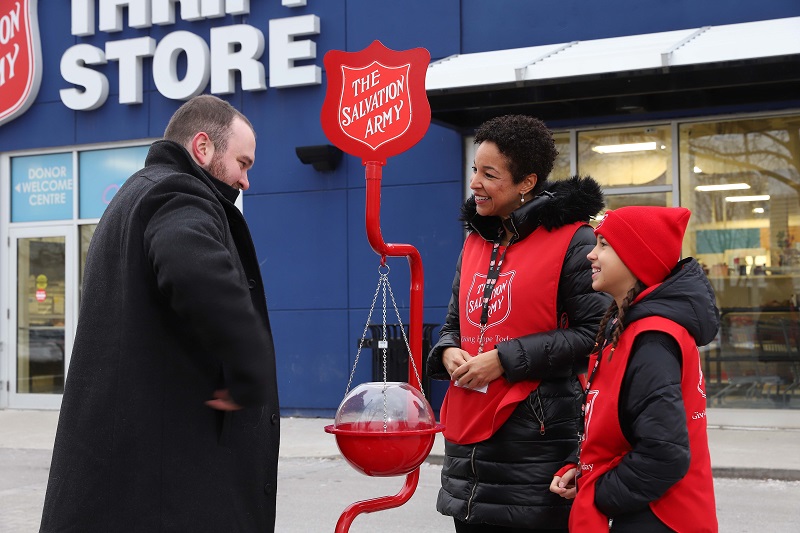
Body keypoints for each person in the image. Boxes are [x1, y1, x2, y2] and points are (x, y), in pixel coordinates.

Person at [39, 95, 280, 532]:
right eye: (242, 163)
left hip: (127, 485)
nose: (246, 181)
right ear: (203, 148)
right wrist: (248, 362)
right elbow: (192, 266)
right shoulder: (178, 193)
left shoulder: (131, 198)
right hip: (164, 496)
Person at [426, 114, 610, 532]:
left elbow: (594, 333)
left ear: (527, 182)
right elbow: (455, 323)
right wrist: (449, 349)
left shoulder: (574, 239)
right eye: (475, 169)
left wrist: (504, 359)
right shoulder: (475, 240)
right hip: (467, 445)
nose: (475, 183)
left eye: (490, 174)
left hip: (534, 446)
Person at [549, 206, 719, 532]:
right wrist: (583, 467)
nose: (590, 255)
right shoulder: (629, 327)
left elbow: (664, 454)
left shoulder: (653, 338)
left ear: (635, 258)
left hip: (662, 519)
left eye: (604, 245)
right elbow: (623, 425)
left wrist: (596, 492)